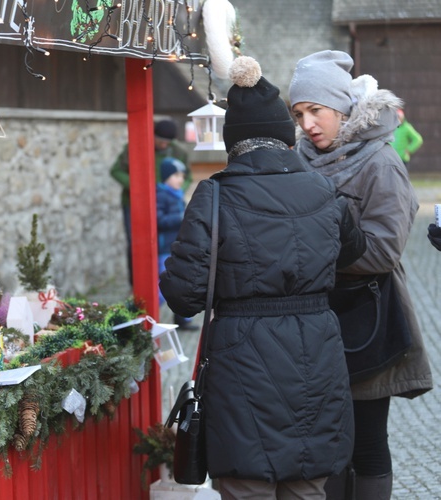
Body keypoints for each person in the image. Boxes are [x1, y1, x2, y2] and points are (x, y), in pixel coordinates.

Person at [160, 55, 366, 499]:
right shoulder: (325, 191)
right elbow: (355, 251)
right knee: (308, 486)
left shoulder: (214, 195)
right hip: (317, 350)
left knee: (246, 485)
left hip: (241, 361)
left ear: (232, 144)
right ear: (284, 137)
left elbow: (183, 295)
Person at [289, 49, 433, 499]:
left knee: (368, 441)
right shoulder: (297, 160)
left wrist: (310, 254)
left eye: (316, 110)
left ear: (343, 107)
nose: (308, 124)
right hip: (313, 323)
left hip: (368, 316)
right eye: (299, 113)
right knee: (327, 442)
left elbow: (383, 251)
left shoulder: (380, 162)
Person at [110, 119, 191, 286]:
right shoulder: (136, 147)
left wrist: (178, 190)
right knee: (135, 243)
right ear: (153, 136)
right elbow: (116, 171)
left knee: (169, 241)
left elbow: (187, 176)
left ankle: (167, 282)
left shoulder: (178, 152)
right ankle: (137, 285)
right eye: (160, 140)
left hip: (167, 204)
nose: (163, 144)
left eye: (167, 142)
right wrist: (138, 187)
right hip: (135, 204)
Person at [156, 157, 195, 329]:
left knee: (180, 284)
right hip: (165, 248)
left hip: (177, 247)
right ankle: (146, 314)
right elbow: (158, 220)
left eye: (182, 176)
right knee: (165, 287)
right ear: (166, 177)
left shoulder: (177, 195)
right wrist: (180, 218)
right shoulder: (161, 195)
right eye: (177, 175)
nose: (181, 179)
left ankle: (182, 320)